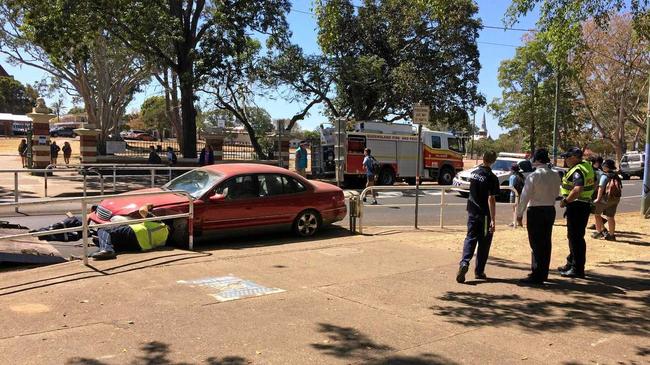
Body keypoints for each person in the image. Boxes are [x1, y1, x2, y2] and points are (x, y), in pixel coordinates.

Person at [516, 149, 561, 285]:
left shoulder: (533, 176)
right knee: (546, 241)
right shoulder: (555, 175)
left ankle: (536, 273)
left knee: (535, 243)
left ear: (537, 160)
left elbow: (524, 197)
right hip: (550, 209)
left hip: (535, 210)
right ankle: (543, 272)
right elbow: (557, 193)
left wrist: (519, 214)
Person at [456, 150, 500, 283]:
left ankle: (464, 262)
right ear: (493, 161)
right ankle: (479, 271)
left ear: (483, 158)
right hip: (484, 215)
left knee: (470, 237)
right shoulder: (492, 177)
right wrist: (493, 219)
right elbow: (491, 199)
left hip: (472, 211)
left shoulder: (474, 174)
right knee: (484, 242)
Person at [558, 147, 595, 278]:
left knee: (575, 238)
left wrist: (566, 201)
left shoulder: (578, 170)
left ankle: (577, 269)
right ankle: (571, 262)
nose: (565, 160)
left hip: (577, 206)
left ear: (574, 157)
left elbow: (577, 189)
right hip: (582, 205)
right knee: (574, 237)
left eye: (567, 157)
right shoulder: (586, 166)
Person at [90, 204, 170, 260]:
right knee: (114, 242)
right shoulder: (164, 240)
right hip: (139, 247)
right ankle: (103, 247)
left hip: (135, 233)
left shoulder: (160, 223)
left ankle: (106, 250)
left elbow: (142, 210)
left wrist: (147, 205)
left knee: (103, 229)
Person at [592, 159, 622, 241]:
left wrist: (598, 199)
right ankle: (611, 235)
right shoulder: (616, 176)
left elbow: (601, 188)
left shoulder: (605, 176)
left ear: (606, 166)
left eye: (603, 165)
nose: (602, 166)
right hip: (615, 198)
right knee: (610, 217)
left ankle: (599, 232)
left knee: (597, 214)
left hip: (606, 198)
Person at [508, 163, 525, 227]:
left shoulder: (512, 176)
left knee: (514, 209)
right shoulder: (522, 176)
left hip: (514, 195)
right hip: (521, 194)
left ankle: (514, 222)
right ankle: (520, 222)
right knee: (519, 208)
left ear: (512, 169)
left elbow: (511, 187)